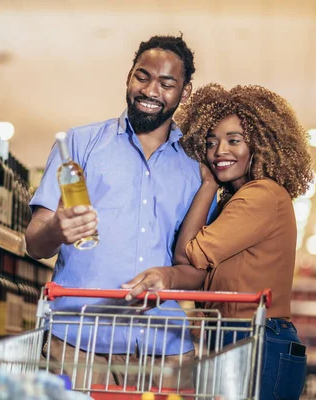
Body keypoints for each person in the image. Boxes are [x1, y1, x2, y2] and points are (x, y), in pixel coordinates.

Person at [26, 34, 207, 389]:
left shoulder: (196, 168)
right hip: (78, 344)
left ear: (184, 93)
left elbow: (197, 269)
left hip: (163, 347)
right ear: (129, 76)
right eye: (143, 76)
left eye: (167, 83)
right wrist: (56, 231)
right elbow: (35, 243)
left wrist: (167, 277)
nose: (151, 90)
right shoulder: (81, 144)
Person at [122, 83, 314, 400]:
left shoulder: (261, 195)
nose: (219, 151)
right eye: (211, 142)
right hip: (238, 336)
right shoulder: (237, 200)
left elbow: (188, 254)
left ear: (262, 144)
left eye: (233, 141)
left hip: (255, 339)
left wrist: (207, 185)